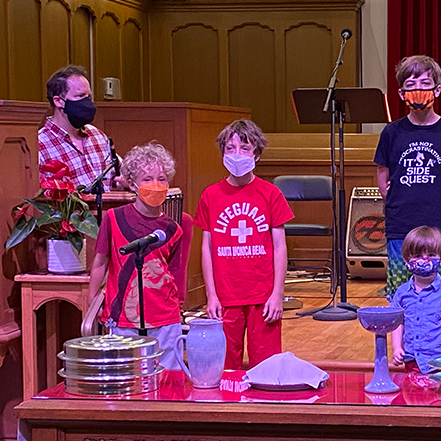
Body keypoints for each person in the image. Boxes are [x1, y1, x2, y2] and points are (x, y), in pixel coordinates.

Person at [374, 55, 441, 300]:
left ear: (437, 89)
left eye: (424, 84)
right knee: (401, 294)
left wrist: (439, 190)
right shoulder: (391, 132)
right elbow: (382, 174)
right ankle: (402, 340)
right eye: (410, 86)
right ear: (401, 94)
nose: (418, 90)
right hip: (401, 226)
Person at [194, 119, 293, 369]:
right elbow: (206, 248)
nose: (237, 154)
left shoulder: (271, 194)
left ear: (256, 155)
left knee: (267, 367)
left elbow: (280, 247)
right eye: (230, 148)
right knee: (226, 368)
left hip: (263, 297)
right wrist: (211, 295)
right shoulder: (210, 195)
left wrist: (277, 295)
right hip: (226, 297)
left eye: (244, 148)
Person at [88, 142, 183, 369]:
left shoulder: (173, 229)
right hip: (123, 316)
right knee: (125, 378)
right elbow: (100, 262)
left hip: (165, 317)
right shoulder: (112, 219)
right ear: (132, 184)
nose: (156, 185)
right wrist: (92, 301)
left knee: (168, 379)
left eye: (162, 179)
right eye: (147, 179)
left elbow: (173, 272)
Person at [390, 226, 441, 374]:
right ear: (407, 260)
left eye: (431, 254)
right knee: (413, 394)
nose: (425, 260)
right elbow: (397, 323)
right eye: (417, 255)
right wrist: (397, 348)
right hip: (413, 360)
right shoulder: (402, 293)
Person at [39, 65, 114, 188]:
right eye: (80, 96)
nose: (87, 103)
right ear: (58, 101)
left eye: (88, 97)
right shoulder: (40, 146)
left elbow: (119, 173)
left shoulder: (97, 135)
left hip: (107, 206)